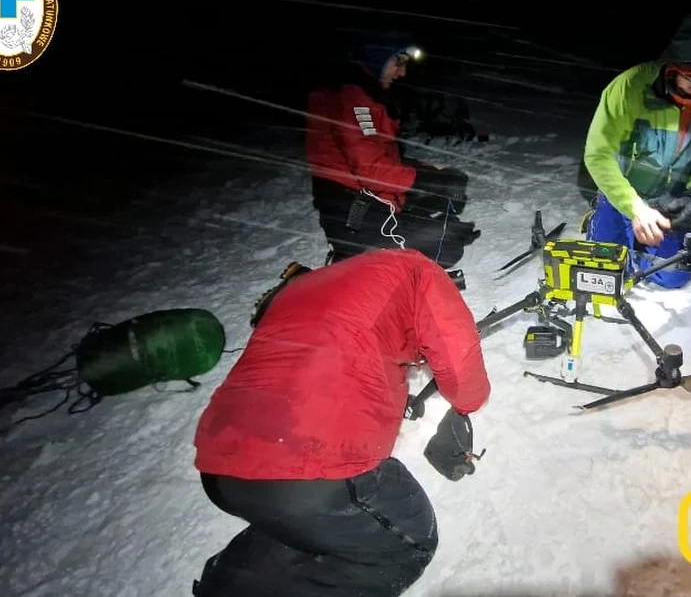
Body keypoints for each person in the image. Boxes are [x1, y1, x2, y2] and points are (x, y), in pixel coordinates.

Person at [191, 249, 492, 596]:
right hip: (310, 466)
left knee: (316, 526)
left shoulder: (307, 286)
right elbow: (459, 361)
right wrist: (468, 403)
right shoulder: (419, 273)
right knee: (405, 540)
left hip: (220, 468)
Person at [580, 15, 691, 289]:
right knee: (605, 268)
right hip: (623, 189)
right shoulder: (630, 87)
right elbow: (598, 155)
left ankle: (639, 242)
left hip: (670, 198)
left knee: (673, 277)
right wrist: (635, 208)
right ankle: (605, 213)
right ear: (673, 67)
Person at [305, 33, 480, 269]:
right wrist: (426, 180)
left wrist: (431, 172)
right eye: (398, 63)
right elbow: (371, 170)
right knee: (446, 247)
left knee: (445, 214)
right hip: (352, 215)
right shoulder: (351, 101)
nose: (402, 72)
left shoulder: (362, 95)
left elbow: (380, 156)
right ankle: (356, 256)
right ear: (377, 57)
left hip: (370, 201)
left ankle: (381, 243)